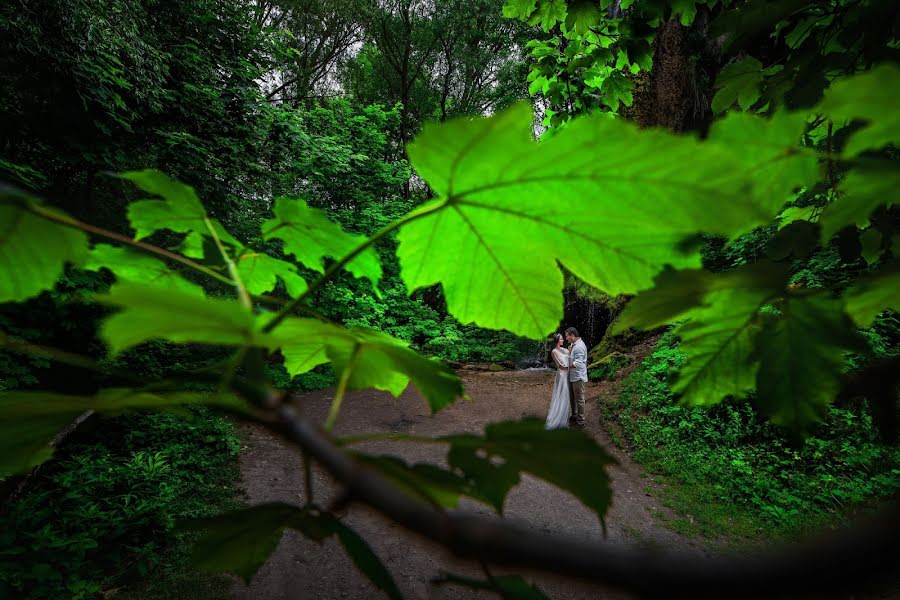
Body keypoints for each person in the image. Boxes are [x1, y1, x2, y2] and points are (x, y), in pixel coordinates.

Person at [545, 333, 571, 429]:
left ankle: (565, 416)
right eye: (561, 339)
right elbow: (561, 366)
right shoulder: (554, 351)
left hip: (567, 374)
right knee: (562, 395)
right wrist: (572, 366)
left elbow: (569, 354)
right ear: (557, 341)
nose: (563, 340)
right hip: (562, 375)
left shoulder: (563, 349)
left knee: (566, 396)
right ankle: (558, 418)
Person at [566, 327, 588, 428]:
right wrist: (569, 352)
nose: (566, 338)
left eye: (567, 336)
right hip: (572, 376)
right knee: (572, 397)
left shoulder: (579, 346)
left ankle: (581, 421)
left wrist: (565, 366)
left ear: (573, 335)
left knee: (579, 399)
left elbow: (578, 363)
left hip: (578, 377)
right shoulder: (573, 345)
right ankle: (574, 415)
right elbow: (572, 358)